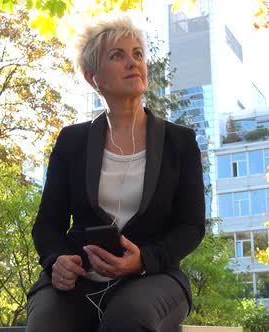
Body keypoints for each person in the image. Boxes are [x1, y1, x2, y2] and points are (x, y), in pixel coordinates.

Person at [25, 15, 206, 332]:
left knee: (127, 319)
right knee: (45, 324)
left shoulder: (180, 142)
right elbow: (47, 224)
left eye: (137, 53)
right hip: (79, 280)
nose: (132, 62)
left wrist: (144, 260)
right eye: (117, 55)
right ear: (93, 77)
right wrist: (57, 261)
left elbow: (191, 226)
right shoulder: (72, 141)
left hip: (154, 277)